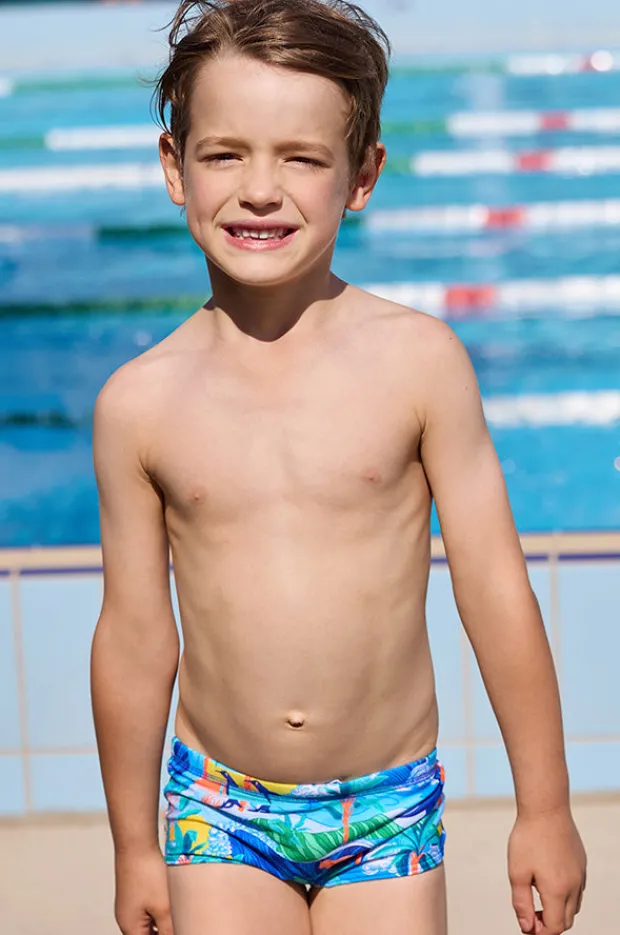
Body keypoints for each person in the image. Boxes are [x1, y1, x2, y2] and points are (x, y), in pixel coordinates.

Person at [90, 1, 587, 934]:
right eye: (224, 154)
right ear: (174, 166)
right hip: (219, 807)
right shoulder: (140, 403)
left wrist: (545, 807)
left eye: (302, 158)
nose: (260, 190)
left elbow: (494, 588)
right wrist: (132, 845)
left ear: (362, 176)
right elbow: (133, 635)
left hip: (385, 802)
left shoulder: (419, 364)